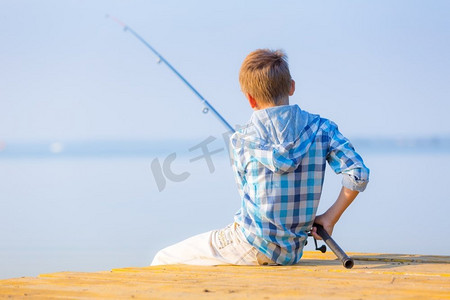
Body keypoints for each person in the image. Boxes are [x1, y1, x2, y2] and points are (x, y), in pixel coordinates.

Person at [151, 49, 369, 266]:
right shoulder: (324, 129)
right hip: (292, 252)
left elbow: (245, 195)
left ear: (250, 99)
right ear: (291, 87)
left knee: (163, 258)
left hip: (248, 245)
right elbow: (357, 174)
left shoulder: (241, 140)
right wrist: (331, 218)